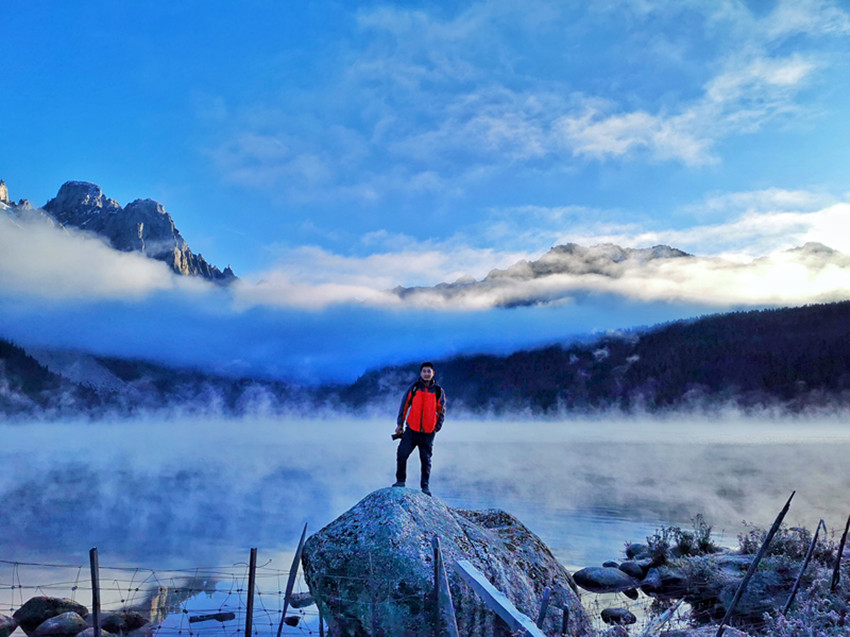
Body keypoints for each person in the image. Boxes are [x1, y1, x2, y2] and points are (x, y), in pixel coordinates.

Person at [392, 362, 446, 496]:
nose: (426, 374)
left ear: (433, 373)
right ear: (420, 373)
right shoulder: (414, 388)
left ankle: (425, 487)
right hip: (412, 430)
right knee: (402, 454)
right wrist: (400, 424)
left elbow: (442, 411)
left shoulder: (438, 391)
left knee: (426, 460)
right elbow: (404, 406)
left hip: (428, 432)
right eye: (424, 371)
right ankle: (400, 481)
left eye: (429, 371)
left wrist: (437, 427)